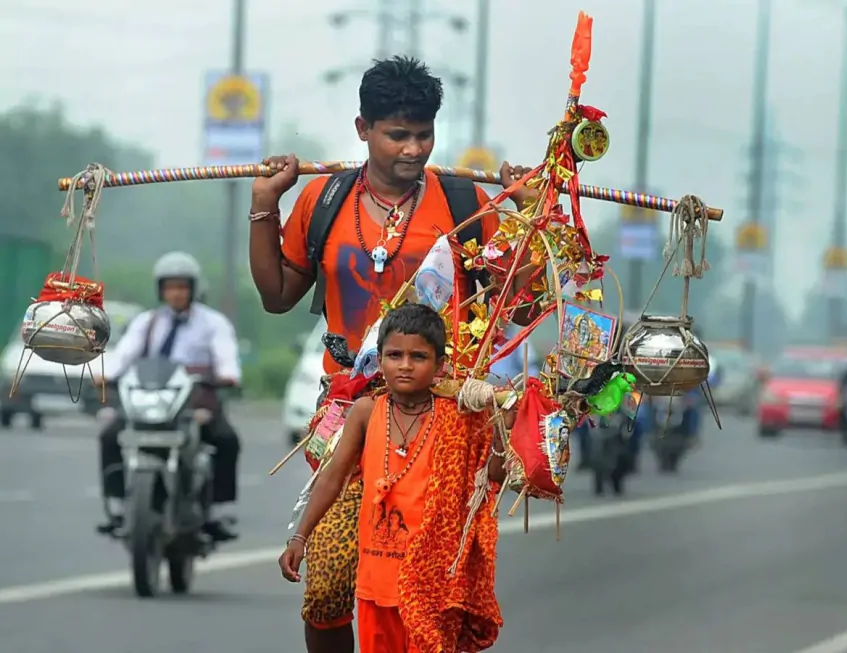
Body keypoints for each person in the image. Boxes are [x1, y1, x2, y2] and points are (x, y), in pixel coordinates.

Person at [248, 56, 536, 653]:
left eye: (424, 134)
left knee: (428, 589)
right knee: (327, 586)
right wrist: (264, 204)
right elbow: (277, 296)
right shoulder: (322, 200)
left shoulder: (464, 204)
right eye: (397, 134)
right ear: (362, 129)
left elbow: (519, 305)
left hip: (443, 419)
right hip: (348, 415)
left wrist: (530, 214)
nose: (413, 149)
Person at [279, 303, 506, 653]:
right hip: (375, 584)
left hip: (431, 584)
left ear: (439, 365)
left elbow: (491, 474)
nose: (404, 365)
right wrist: (300, 537)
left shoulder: (459, 417)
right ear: (379, 360)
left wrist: (504, 427)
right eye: (394, 355)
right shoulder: (367, 412)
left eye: (418, 357)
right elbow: (332, 477)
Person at [94, 251, 242, 542]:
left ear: (194, 289)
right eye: (170, 287)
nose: (176, 293)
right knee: (110, 436)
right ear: (161, 290)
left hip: (196, 397)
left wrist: (227, 375)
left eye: (182, 287)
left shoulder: (213, 323)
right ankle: (118, 505)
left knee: (226, 440)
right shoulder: (147, 322)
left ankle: (217, 512)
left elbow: (226, 358)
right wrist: (106, 375)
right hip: (152, 397)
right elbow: (124, 355)